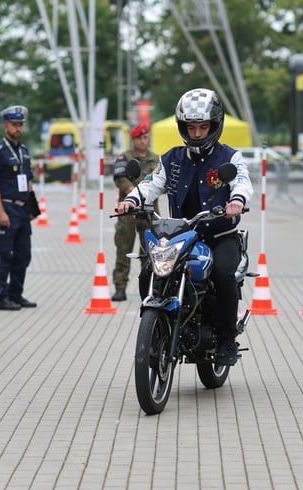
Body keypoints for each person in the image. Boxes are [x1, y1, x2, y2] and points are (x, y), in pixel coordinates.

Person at [116, 88, 253, 365]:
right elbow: (150, 184)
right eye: (191, 127)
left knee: (224, 275)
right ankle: (159, 327)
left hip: (219, 235)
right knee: (147, 273)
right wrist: (131, 201)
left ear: (215, 125)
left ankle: (227, 339)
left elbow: (242, 181)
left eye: (204, 126)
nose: (198, 133)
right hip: (181, 235)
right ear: (183, 127)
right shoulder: (171, 159)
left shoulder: (230, 157)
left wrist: (237, 200)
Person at [0, 105, 39, 311]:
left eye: (20, 125)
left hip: (23, 210)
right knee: (2, 254)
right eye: (14, 124)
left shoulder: (24, 151)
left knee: (23, 254)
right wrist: (0, 212)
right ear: (5, 126)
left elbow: (29, 181)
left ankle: (16, 294)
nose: (18, 128)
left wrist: (32, 208)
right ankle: (1, 296)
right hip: (6, 208)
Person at [111, 123, 159, 301]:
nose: (143, 141)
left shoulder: (156, 159)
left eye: (146, 137)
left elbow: (162, 182)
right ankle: (120, 287)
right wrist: (134, 192)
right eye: (140, 137)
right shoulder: (125, 158)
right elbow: (120, 179)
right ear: (133, 139)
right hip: (128, 213)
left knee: (150, 252)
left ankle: (149, 287)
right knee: (123, 249)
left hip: (150, 212)